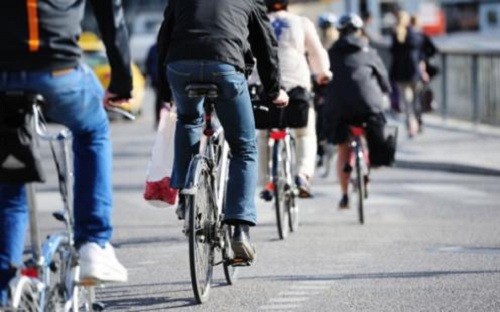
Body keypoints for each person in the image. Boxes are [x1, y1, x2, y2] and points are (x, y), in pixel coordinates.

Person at [0, 0, 132, 306]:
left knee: (9, 173)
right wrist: (122, 80)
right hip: (58, 70)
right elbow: (109, 11)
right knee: (93, 130)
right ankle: (94, 242)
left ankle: (4, 282)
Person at [157, 0, 289, 262]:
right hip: (226, 65)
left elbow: (164, 38)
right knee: (244, 147)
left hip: (181, 66)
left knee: (188, 120)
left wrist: (164, 91)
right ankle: (240, 228)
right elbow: (266, 46)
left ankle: (186, 194)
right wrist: (274, 90)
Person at [258, 0, 332, 199]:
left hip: (264, 84)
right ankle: (302, 174)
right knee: (305, 133)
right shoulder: (301, 22)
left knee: (263, 134)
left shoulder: (257, 19)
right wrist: (323, 73)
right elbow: (316, 52)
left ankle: (267, 181)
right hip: (296, 84)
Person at [323, 13, 392, 209]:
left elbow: (323, 79)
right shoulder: (369, 51)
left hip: (339, 108)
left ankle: (344, 195)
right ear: (360, 30)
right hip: (368, 106)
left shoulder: (331, 53)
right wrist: (384, 92)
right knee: (370, 135)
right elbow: (384, 81)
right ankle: (365, 172)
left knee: (343, 147)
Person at [389, 11, 430, 137]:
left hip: (400, 74)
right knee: (416, 100)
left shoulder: (396, 35)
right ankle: (418, 122)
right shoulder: (416, 35)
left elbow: (392, 53)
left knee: (406, 102)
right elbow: (422, 54)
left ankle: (411, 126)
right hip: (414, 73)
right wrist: (423, 71)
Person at [145, 42, 164, 128]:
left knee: (159, 100)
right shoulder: (154, 48)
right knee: (160, 100)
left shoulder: (153, 48)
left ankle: (159, 120)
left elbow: (148, 63)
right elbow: (148, 63)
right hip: (159, 78)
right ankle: (159, 120)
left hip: (156, 77)